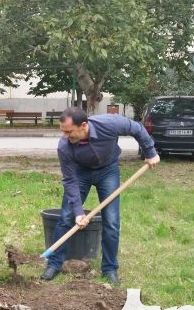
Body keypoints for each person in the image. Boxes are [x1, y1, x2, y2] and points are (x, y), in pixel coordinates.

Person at [41, 107, 160, 285]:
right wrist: (78, 211)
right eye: (62, 131)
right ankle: (54, 263)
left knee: (111, 221)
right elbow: (69, 180)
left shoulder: (109, 123)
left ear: (83, 126)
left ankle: (110, 268)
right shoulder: (64, 146)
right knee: (67, 216)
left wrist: (150, 152)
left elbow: (136, 128)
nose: (65, 136)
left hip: (108, 171)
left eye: (69, 131)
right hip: (81, 173)